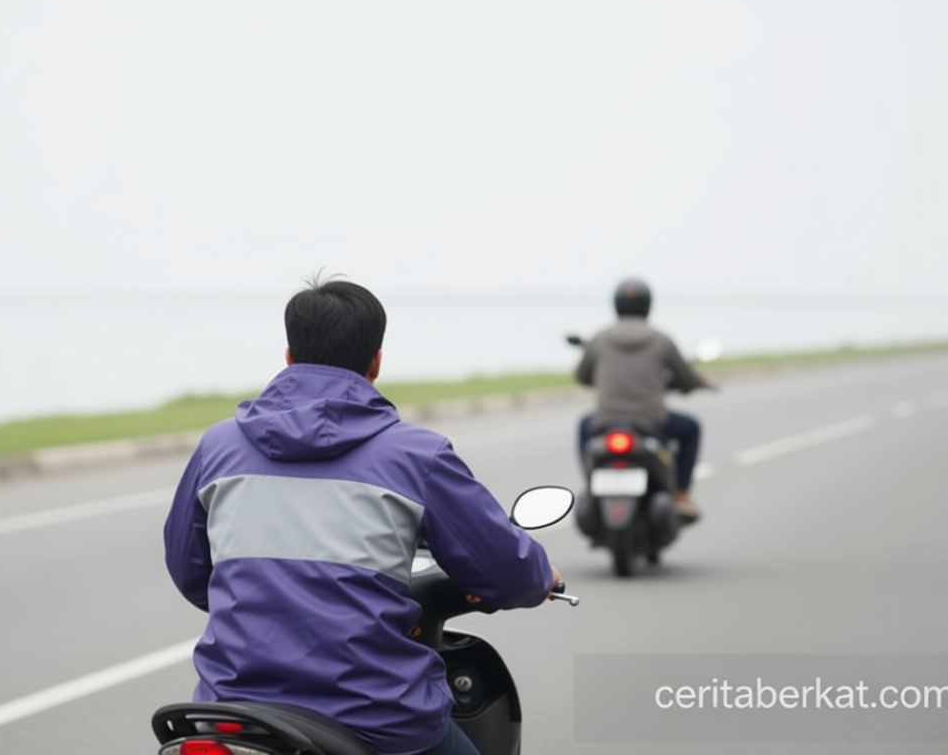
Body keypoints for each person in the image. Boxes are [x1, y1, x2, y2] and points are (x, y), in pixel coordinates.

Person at [164, 276, 560, 755]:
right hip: (377, 717)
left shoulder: (218, 447)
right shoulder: (418, 455)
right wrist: (542, 576)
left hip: (233, 708)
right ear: (376, 361)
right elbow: (506, 571)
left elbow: (191, 573)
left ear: (289, 356)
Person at [574, 277, 712, 520]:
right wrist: (699, 383)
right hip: (652, 421)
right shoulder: (660, 339)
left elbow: (582, 376)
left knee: (584, 425)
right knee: (691, 427)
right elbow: (686, 377)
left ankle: (590, 486)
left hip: (606, 420)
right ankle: (680, 493)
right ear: (648, 304)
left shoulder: (600, 337)